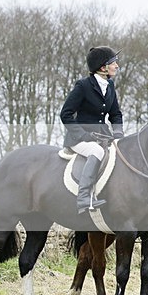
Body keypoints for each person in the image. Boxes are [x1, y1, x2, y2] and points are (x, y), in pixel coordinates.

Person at [60, 46, 124, 214]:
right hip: (80, 139)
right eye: (113, 63)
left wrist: (118, 133)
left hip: (103, 136)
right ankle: (83, 198)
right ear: (103, 67)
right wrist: (83, 135)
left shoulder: (109, 86)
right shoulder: (83, 86)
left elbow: (115, 114)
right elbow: (65, 114)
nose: (117, 66)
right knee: (96, 151)